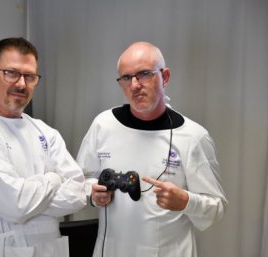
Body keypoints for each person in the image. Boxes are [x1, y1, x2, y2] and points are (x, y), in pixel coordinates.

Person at [76, 41, 227, 257]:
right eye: (126, 77)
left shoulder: (193, 136)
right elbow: (81, 179)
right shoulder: (103, 124)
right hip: (111, 250)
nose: (135, 85)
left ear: (164, 77)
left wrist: (186, 201)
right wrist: (92, 192)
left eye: (144, 74)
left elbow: (216, 207)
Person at [0, 37, 86, 257]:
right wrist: (54, 179)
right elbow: (15, 206)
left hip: (49, 250)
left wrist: (27, 198)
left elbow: (78, 195)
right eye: (11, 73)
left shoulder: (44, 131)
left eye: (30, 76)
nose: (22, 84)